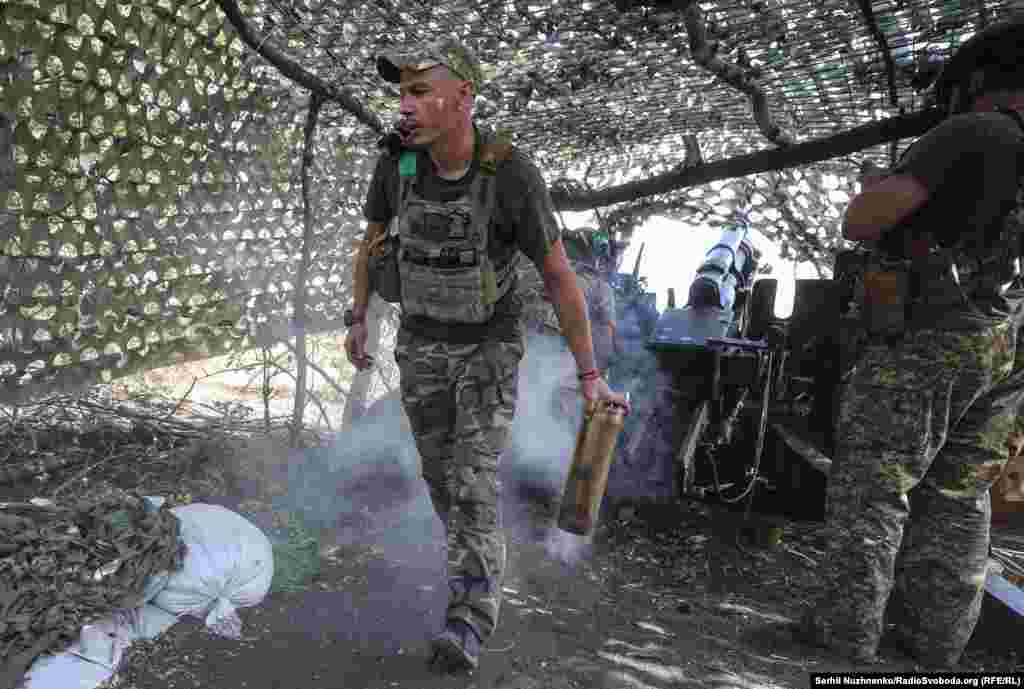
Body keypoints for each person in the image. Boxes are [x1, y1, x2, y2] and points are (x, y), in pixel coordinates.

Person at [343, 39, 630, 674]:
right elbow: (372, 242)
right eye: (402, 93)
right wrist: (359, 315)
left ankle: (468, 617)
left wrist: (589, 374)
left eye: (420, 91)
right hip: (419, 346)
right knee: (442, 480)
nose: (405, 105)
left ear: (464, 98)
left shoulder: (509, 176)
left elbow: (558, 276)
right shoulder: (396, 166)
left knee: (472, 483)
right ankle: (478, 560)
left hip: (487, 350)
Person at [798, 15, 1024, 667]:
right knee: (960, 493)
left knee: (873, 484)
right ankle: (933, 646)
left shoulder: (972, 131)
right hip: (1005, 343)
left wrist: (877, 184)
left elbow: (862, 219)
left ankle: (845, 642)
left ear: (983, 82)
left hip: (933, 334)